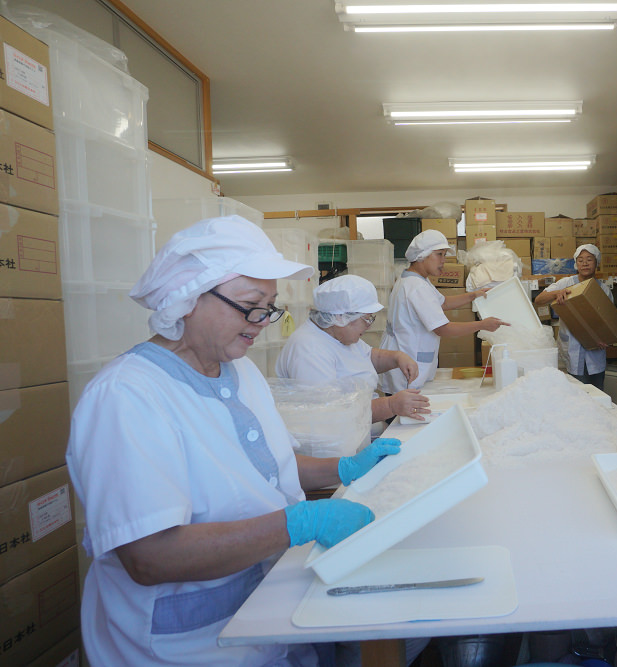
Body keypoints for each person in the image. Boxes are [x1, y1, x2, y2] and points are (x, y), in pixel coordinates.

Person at [66, 215, 404, 666]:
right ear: (188, 296)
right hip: (184, 647)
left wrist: (344, 468)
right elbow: (149, 557)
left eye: (270, 306)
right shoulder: (126, 397)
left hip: (265, 615)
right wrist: (298, 523)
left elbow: (267, 462)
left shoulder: (239, 369)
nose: (263, 321)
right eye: (250, 304)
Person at [276, 274, 431, 423]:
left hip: (359, 433)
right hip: (334, 445)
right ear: (340, 317)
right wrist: (390, 405)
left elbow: (369, 357)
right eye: (367, 319)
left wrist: (397, 357)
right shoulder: (308, 349)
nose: (369, 325)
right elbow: (330, 414)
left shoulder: (340, 335)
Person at [379, 229, 507, 393]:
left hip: (406, 357)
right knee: (401, 413)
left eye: (444, 255)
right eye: (439, 254)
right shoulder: (416, 287)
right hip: (408, 362)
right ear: (422, 256)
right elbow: (442, 328)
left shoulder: (416, 280)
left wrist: (473, 295)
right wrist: (482, 325)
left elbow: (443, 302)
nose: (443, 261)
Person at [533, 244, 611, 389]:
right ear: (576, 264)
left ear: (596, 263)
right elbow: (539, 300)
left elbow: (609, 320)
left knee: (597, 394)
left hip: (596, 351)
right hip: (572, 350)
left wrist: (605, 337)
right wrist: (557, 293)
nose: (585, 263)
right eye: (580, 260)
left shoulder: (603, 289)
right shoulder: (566, 283)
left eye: (589, 259)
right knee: (576, 394)